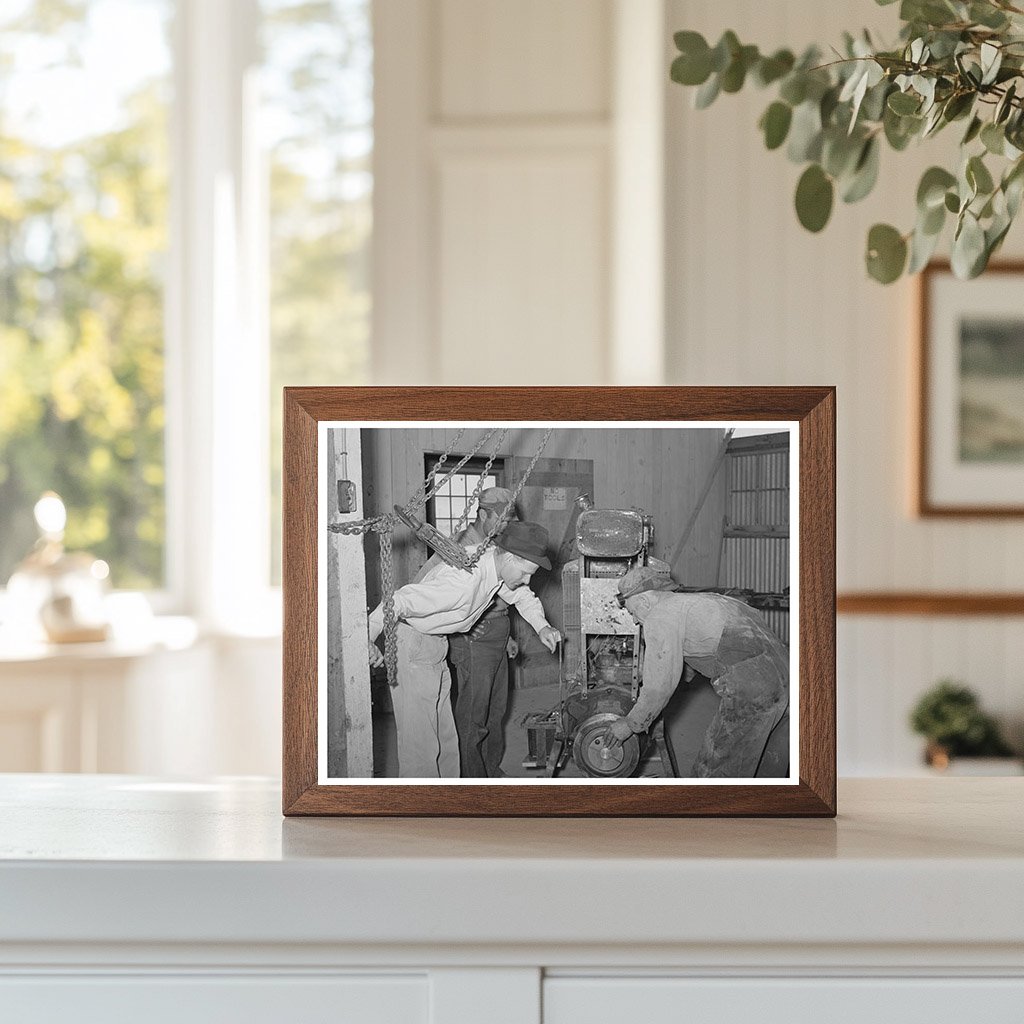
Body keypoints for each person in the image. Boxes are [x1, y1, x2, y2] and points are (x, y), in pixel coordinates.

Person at [367, 520, 562, 778]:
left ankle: (450, 800)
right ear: (509, 558)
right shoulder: (462, 583)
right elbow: (400, 600)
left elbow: (522, 594)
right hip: (414, 644)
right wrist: (368, 636)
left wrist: (542, 627)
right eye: (526, 572)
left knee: (446, 740)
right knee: (421, 746)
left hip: (436, 643)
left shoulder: (495, 564)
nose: (527, 580)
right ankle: (420, 810)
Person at [602, 566, 789, 779]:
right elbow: (709, 649)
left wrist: (631, 723)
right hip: (788, 680)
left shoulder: (659, 615)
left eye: (632, 613)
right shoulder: (707, 601)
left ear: (644, 602)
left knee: (718, 765)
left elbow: (658, 689)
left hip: (753, 687)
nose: (635, 620)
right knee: (768, 768)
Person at [418, 487, 522, 778]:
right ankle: (473, 780)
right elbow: (436, 590)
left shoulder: (497, 543)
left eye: (509, 521)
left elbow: (501, 588)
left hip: (497, 629)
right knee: (473, 716)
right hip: (473, 635)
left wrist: (508, 636)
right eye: (500, 519)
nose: (505, 526)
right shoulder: (461, 545)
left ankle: (491, 769)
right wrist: (461, 632)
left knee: (495, 711)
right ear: (481, 514)